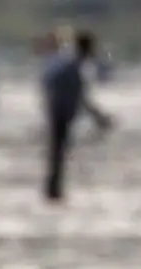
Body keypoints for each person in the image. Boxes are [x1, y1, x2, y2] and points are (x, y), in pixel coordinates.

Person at [40, 29, 96, 202]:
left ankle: (54, 189)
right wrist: (99, 117)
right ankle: (53, 191)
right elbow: (81, 98)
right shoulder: (72, 67)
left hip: (60, 113)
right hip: (60, 114)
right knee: (58, 153)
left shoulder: (69, 65)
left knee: (58, 154)